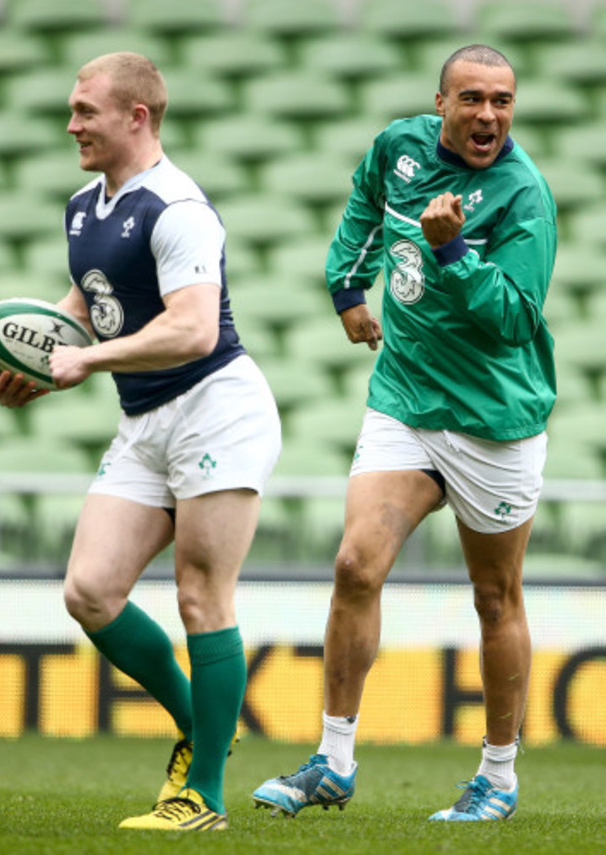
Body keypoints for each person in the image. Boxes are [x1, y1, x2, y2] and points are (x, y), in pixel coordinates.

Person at [253, 44, 556, 822]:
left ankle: (497, 775)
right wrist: (347, 285)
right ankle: (334, 758)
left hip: (494, 420)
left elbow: (515, 322)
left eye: (503, 101)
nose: (489, 114)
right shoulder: (401, 147)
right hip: (405, 399)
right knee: (355, 563)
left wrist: (452, 250)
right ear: (442, 101)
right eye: (473, 99)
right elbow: (364, 201)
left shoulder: (524, 196)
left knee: (495, 597)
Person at [0, 51, 281, 832]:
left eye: (86, 110)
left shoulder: (178, 206)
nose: (72, 123)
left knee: (200, 598)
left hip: (217, 408)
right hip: (146, 419)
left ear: (137, 117)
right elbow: (88, 299)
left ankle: (202, 796)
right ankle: (204, 724)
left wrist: (86, 359)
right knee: (89, 590)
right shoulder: (85, 204)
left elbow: (192, 326)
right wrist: (37, 355)